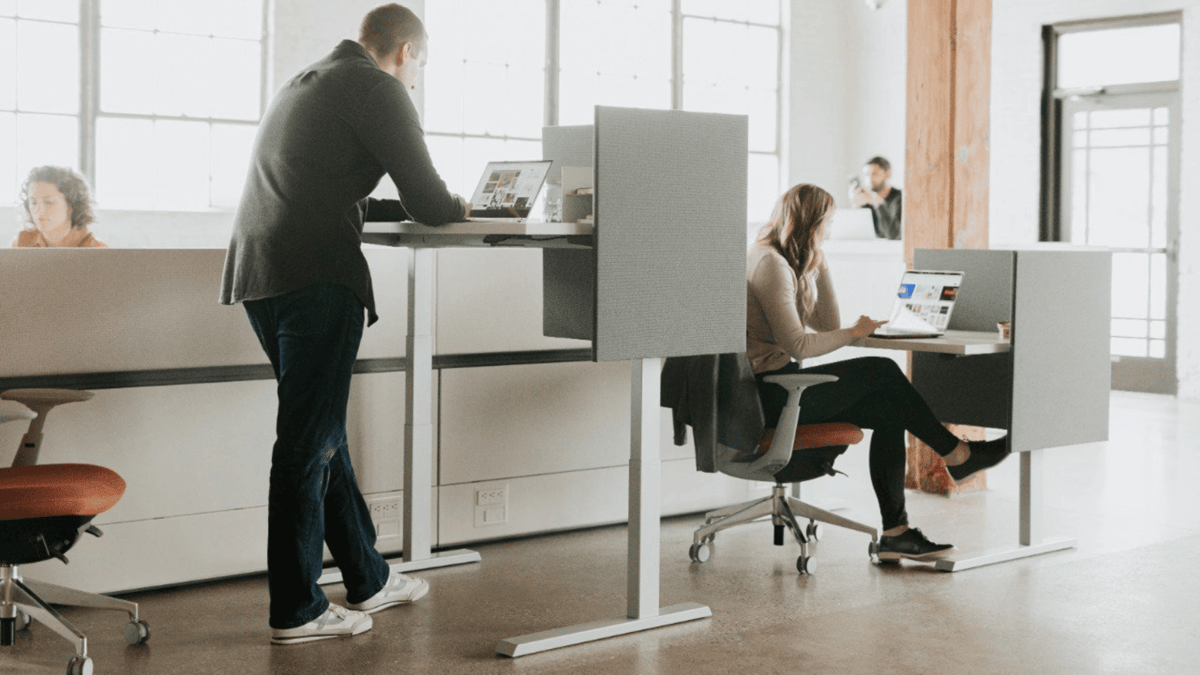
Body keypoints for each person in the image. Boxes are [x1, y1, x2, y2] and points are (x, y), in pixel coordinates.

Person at [219, 4, 471, 645]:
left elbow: (328, 184)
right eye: (420, 68)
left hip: (260, 271)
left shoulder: (312, 78)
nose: (415, 80)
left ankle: (369, 577)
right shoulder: (378, 87)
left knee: (321, 430)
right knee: (307, 442)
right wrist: (461, 205)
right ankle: (297, 609)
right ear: (407, 52)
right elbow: (430, 200)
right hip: (313, 275)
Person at [747, 183, 1009, 563]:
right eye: (827, 224)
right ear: (813, 222)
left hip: (777, 388)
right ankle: (958, 454)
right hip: (769, 396)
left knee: (890, 407)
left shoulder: (782, 259)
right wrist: (855, 332)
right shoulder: (770, 264)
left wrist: (819, 262)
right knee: (883, 370)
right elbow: (799, 345)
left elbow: (826, 322)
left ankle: (897, 533)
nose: (830, 231)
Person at [12, 166, 108, 248]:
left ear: (72, 205)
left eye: (49, 202)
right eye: (33, 202)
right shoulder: (23, 241)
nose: (38, 210)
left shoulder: (96, 249)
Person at [849, 156, 902, 240]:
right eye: (866, 175)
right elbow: (858, 234)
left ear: (888, 174)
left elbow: (894, 235)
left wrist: (878, 204)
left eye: (874, 174)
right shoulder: (867, 201)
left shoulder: (900, 198)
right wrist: (856, 205)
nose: (869, 180)